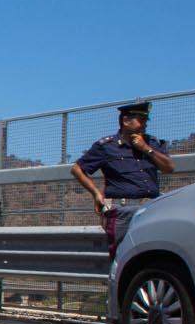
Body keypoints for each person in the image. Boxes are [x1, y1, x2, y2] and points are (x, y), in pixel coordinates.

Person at [70, 99, 174, 256]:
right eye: (141, 120)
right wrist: (97, 194)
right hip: (123, 212)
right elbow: (77, 169)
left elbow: (168, 168)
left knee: (154, 255)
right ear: (126, 120)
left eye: (146, 120)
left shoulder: (151, 143)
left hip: (152, 208)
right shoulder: (107, 146)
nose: (145, 124)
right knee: (121, 256)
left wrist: (146, 149)